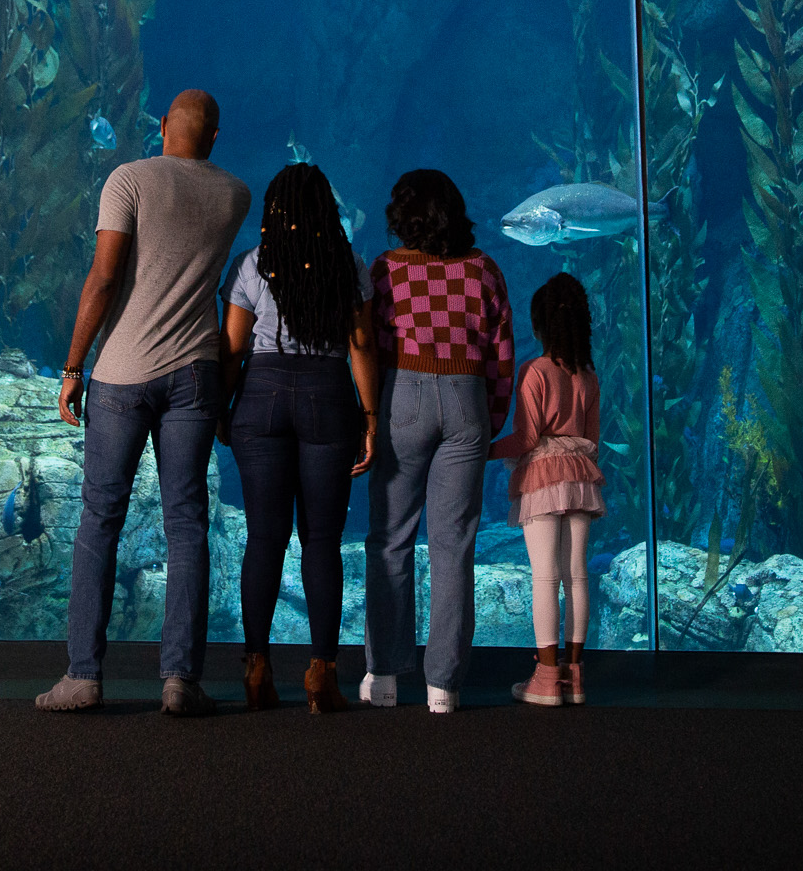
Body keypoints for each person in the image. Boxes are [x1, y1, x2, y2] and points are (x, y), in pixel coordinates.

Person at [36, 89, 251, 717]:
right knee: (187, 524)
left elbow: (105, 276)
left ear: (161, 127)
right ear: (215, 137)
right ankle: (180, 680)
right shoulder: (234, 193)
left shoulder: (127, 178)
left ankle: (83, 676)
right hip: (196, 372)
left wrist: (74, 365)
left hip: (122, 372)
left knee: (100, 519)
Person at [217, 164, 384, 714]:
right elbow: (360, 343)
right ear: (325, 209)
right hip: (326, 395)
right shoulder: (349, 265)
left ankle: (257, 666)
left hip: (261, 394)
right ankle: (320, 673)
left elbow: (235, 346)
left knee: (264, 538)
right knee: (321, 540)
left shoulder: (251, 264)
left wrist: (222, 406)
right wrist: (370, 416)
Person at [361, 168, 514, 714]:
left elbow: (372, 346)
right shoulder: (485, 271)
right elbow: (501, 356)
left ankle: (383, 673)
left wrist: (370, 416)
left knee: (390, 538)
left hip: (404, 393)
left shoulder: (385, 270)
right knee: (454, 546)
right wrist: (489, 421)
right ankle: (443, 685)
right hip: (468, 400)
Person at [494, 273, 606, 707]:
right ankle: (575, 677)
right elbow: (592, 441)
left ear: (539, 326)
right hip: (581, 478)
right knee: (576, 574)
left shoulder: (536, 371)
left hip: (542, 478)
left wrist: (478, 450)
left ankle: (545, 678)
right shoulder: (589, 377)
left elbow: (525, 440)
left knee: (545, 576)